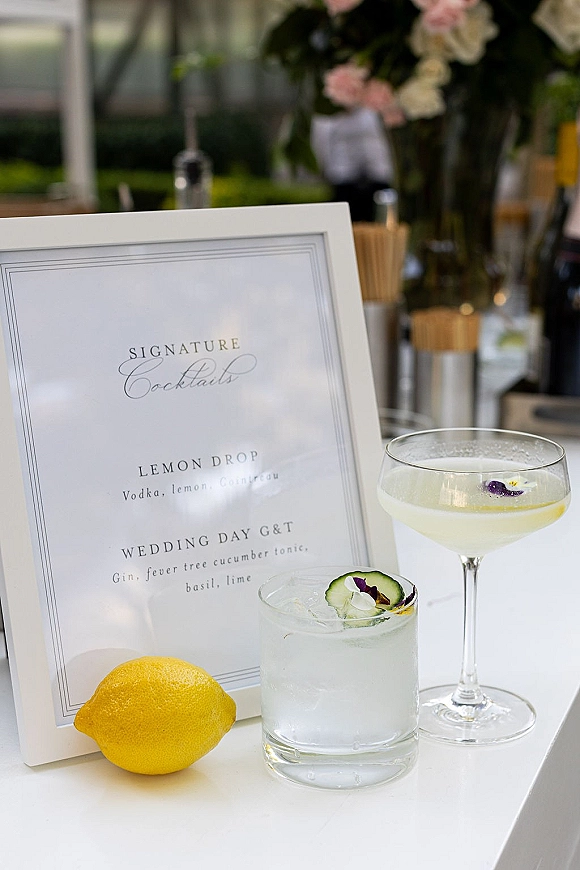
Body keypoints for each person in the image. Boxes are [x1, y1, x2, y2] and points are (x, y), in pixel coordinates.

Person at [311, 106, 394, 222]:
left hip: (377, 179)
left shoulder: (372, 110)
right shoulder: (324, 117)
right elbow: (320, 146)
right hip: (343, 182)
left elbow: (382, 144)